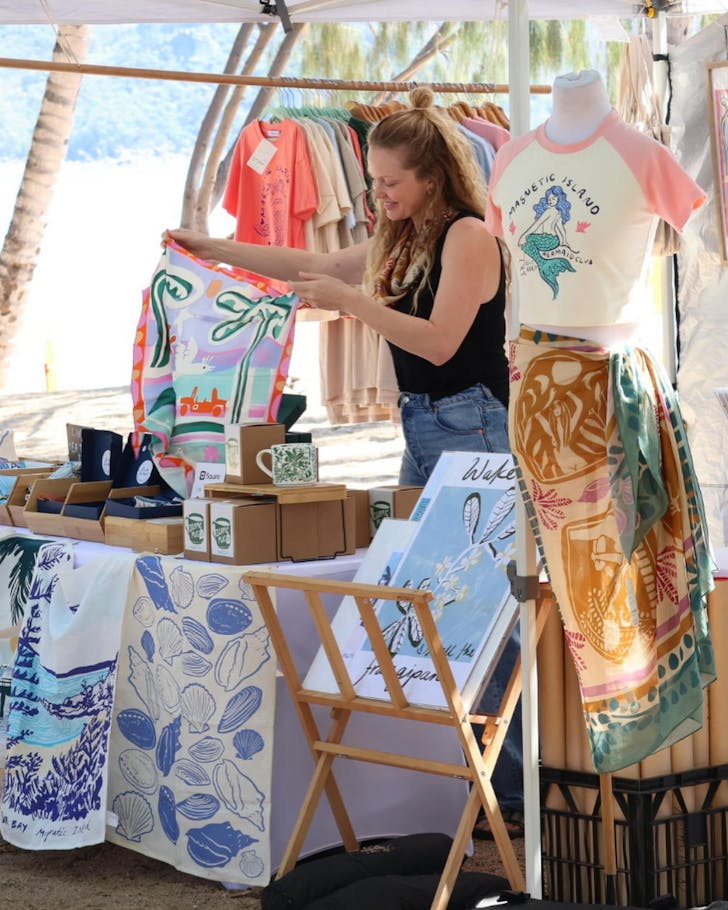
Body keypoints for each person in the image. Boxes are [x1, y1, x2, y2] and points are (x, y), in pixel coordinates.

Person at [485, 69, 715, 774]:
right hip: (534, 386)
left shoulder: (643, 155)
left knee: (618, 581)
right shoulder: (509, 158)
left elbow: (707, 233)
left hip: (610, 388)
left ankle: (631, 742)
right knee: (577, 584)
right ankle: (582, 755)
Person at [166, 84, 509, 487]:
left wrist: (350, 300)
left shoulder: (467, 234)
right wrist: (212, 248)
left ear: (432, 179)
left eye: (390, 183)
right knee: (423, 545)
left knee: (475, 548)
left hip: (470, 418)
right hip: (425, 415)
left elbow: (439, 344)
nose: (378, 195)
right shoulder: (410, 235)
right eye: (374, 180)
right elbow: (319, 264)